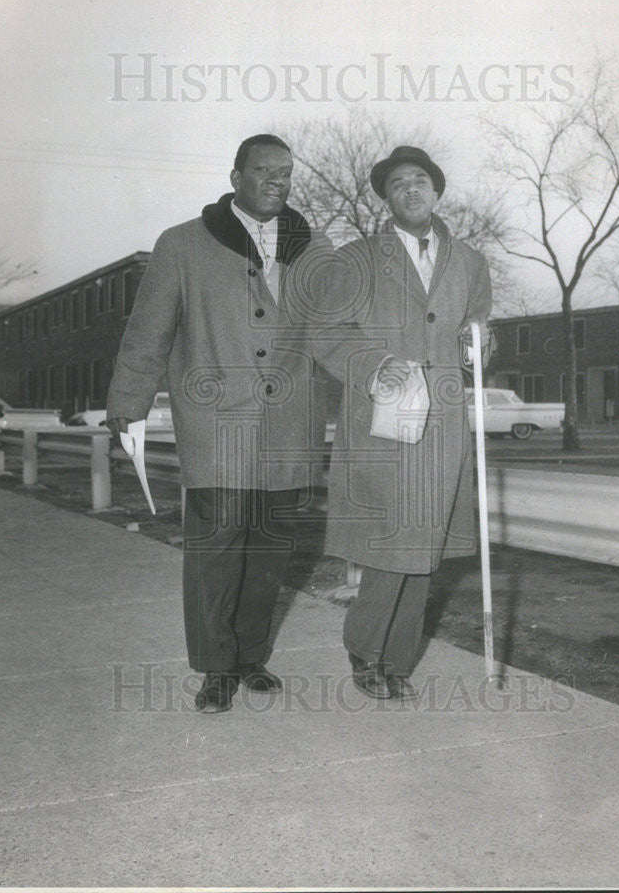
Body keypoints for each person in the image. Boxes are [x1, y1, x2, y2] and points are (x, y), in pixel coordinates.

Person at [106, 135, 331, 714]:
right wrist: (127, 401)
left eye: (285, 173)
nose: (276, 182)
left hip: (289, 421)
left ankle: (251, 656)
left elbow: (342, 329)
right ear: (236, 177)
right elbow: (149, 330)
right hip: (215, 422)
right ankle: (214, 668)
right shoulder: (182, 244)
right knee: (216, 547)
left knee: (271, 547)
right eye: (263, 172)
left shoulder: (316, 246)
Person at [317, 146, 493, 700]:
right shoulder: (356, 258)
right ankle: (365, 648)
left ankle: (397, 659)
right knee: (390, 542)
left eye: (421, 180)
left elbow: (479, 333)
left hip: (443, 421)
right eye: (398, 184)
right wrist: (374, 366)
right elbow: (324, 333)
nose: (411, 189)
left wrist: (481, 343)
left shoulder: (469, 261)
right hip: (383, 418)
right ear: (386, 198)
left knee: (426, 547)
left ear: (437, 190)